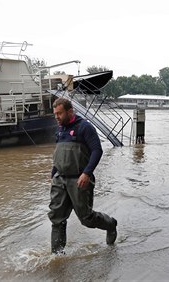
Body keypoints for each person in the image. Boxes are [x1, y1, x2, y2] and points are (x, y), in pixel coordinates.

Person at [48, 97, 117, 254]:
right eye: (55, 114)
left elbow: (97, 151)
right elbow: (59, 152)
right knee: (56, 218)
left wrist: (87, 173)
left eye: (59, 113)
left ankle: (111, 224)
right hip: (60, 179)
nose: (56, 117)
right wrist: (53, 173)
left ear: (70, 111)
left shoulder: (85, 127)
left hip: (79, 179)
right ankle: (57, 256)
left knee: (86, 219)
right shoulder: (59, 129)